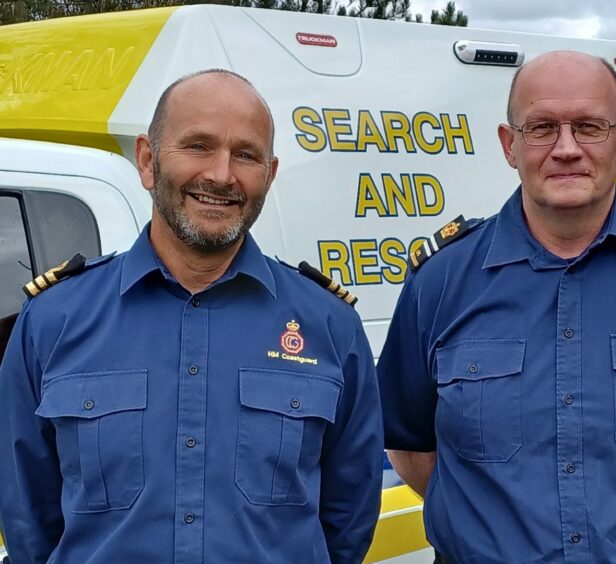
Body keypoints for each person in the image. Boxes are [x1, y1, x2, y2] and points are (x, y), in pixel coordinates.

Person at [377, 51, 616, 563]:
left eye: (590, 126)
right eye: (543, 127)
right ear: (510, 146)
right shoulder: (440, 282)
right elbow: (410, 446)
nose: (567, 149)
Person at [0, 69, 383, 563]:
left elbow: (347, 521)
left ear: (268, 173)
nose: (221, 175)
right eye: (198, 146)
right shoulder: (52, 320)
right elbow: (29, 524)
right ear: (147, 159)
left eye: (246, 154)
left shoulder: (329, 327)